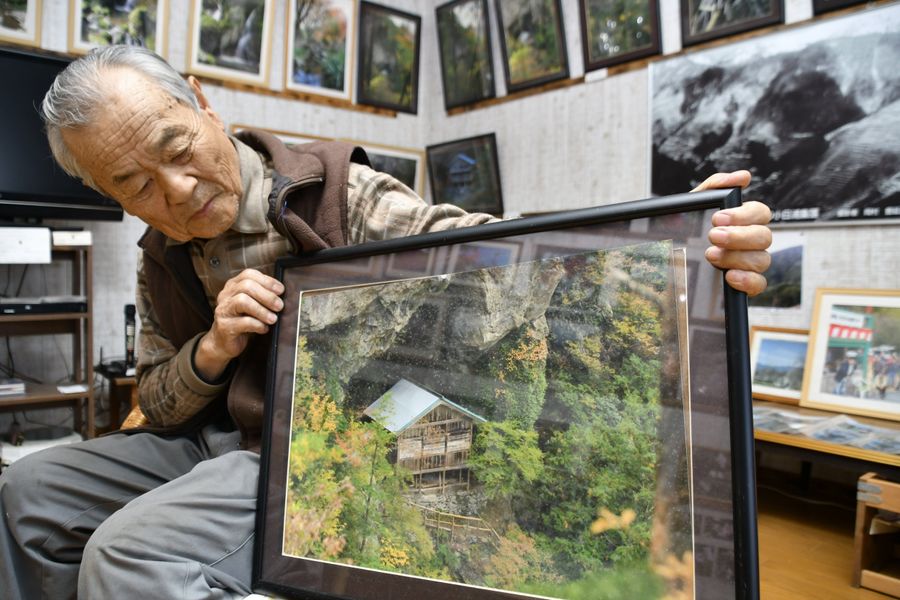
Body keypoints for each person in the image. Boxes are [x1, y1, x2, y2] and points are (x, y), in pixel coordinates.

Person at [0, 45, 773, 599]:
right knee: (29, 487)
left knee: (130, 551)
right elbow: (156, 400)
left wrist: (680, 235)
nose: (174, 190)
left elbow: (499, 252)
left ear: (203, 104)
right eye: (135, 184)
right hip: (216, 438)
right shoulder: (159, 253)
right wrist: (213, 347)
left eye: (176, 148)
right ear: (107, 193)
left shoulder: (340, 195)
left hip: (330, 438)